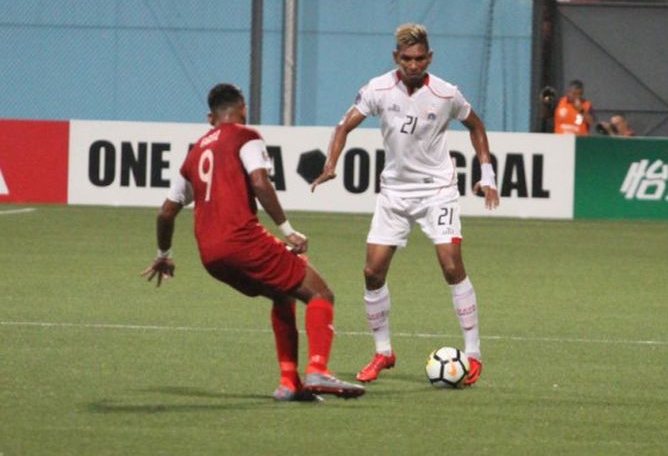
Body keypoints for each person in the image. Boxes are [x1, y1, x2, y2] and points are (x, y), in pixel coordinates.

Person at [141, 83, 364, 402]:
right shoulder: (245, 136)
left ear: (210, 118)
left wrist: (164, 253)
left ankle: (289, 382)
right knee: (320, 293)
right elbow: (260, 181)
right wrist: (287, 229)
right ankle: (318, 370)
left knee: (281, 293)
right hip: (243, 241)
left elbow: (165, 213)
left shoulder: (195, 154)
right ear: (243, 108)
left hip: (211, 256)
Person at [311, 24, 499, 385]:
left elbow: (476, 126)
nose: (414, 65)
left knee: (450, 265)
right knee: (372, 272)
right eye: (407, 58)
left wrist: (486, 174)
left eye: (420, 58)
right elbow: (344, 126)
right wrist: (331, 165)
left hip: (437, 190)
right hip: (394, 193)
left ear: (430, 58)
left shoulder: (446, 94)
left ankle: (473, 355)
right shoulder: (378, 89)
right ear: (396, 58)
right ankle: (383, 352)